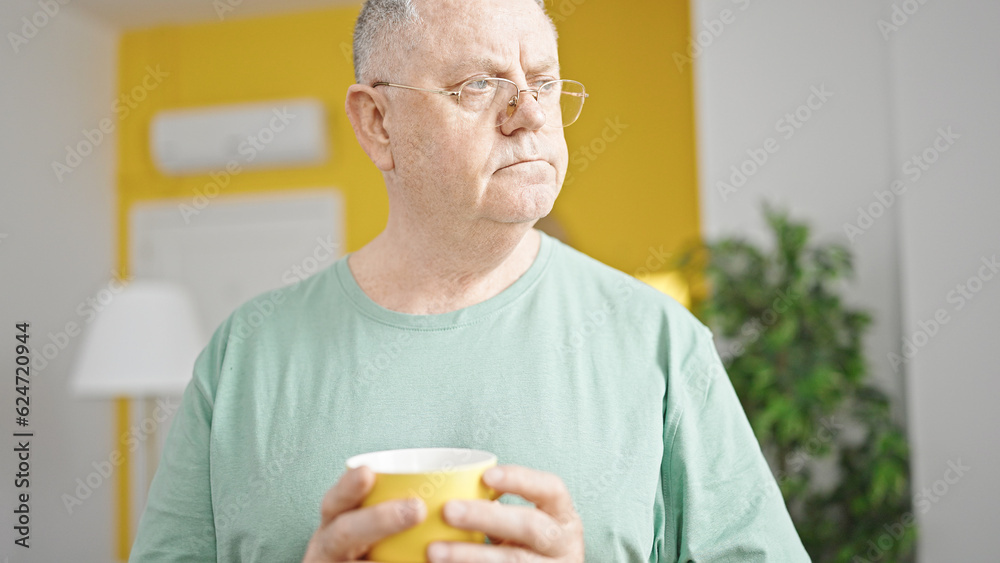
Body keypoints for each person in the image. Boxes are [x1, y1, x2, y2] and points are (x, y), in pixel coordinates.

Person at [129, 0, 810, 561]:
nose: (531, 113)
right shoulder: (243, 355)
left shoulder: (661, 342)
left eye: (542, 82)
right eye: (478, 85)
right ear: (377, 123)